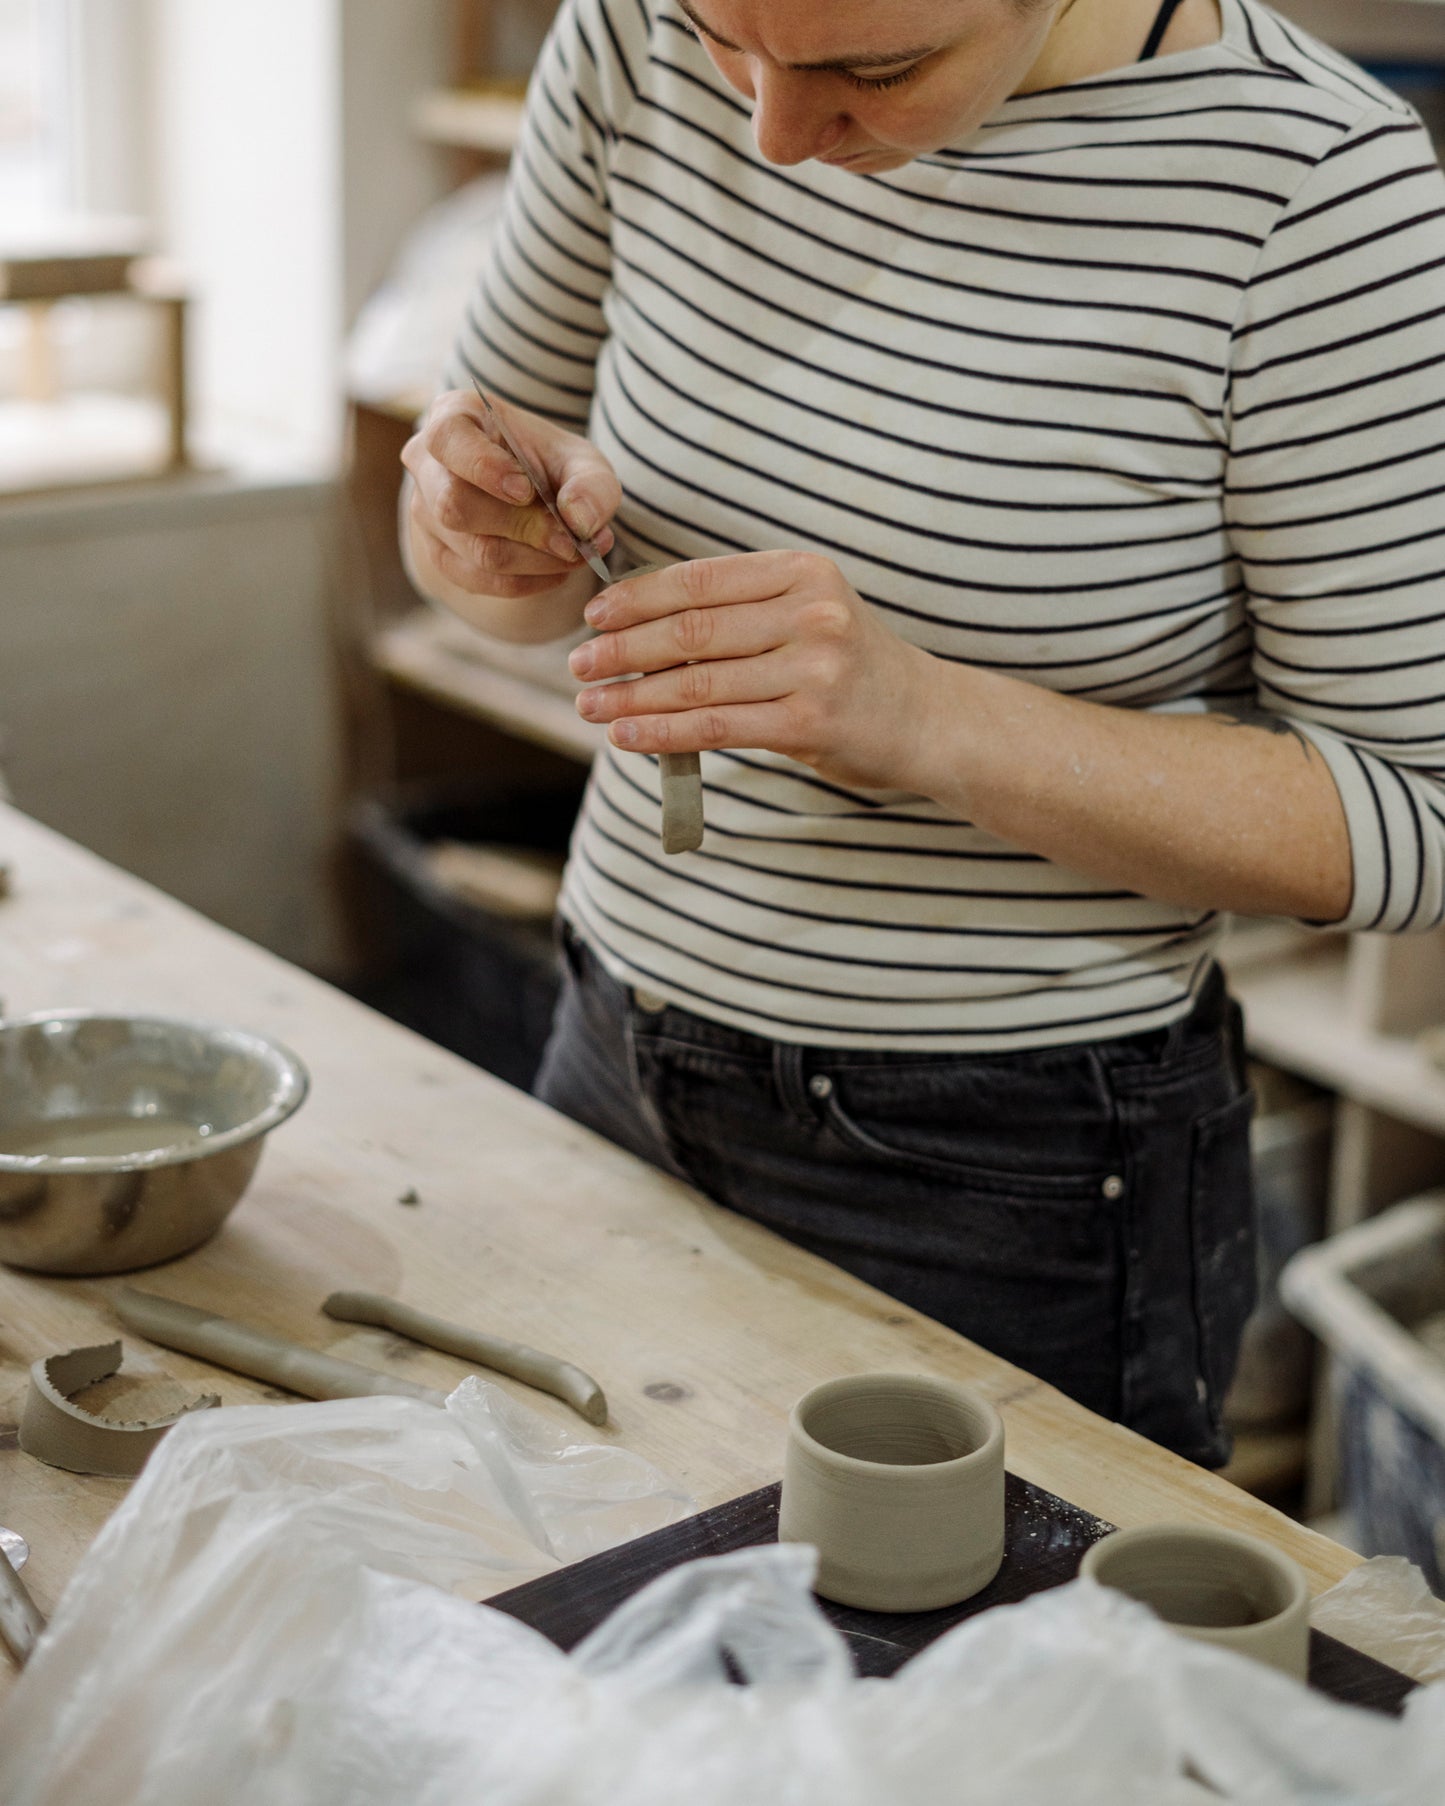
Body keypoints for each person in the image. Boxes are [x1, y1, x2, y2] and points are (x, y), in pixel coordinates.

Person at [401, 0, 1445, 1466]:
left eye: (872, 70)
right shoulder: (629, 33)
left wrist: (924, 716)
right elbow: (482, 569)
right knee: (590, 1634)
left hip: (1010, 1163)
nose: (770, 132)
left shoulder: (1315, 187)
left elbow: (1413, 815)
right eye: (724, 40)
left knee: (960, 1681)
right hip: (606, 1038)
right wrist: (476, 532)